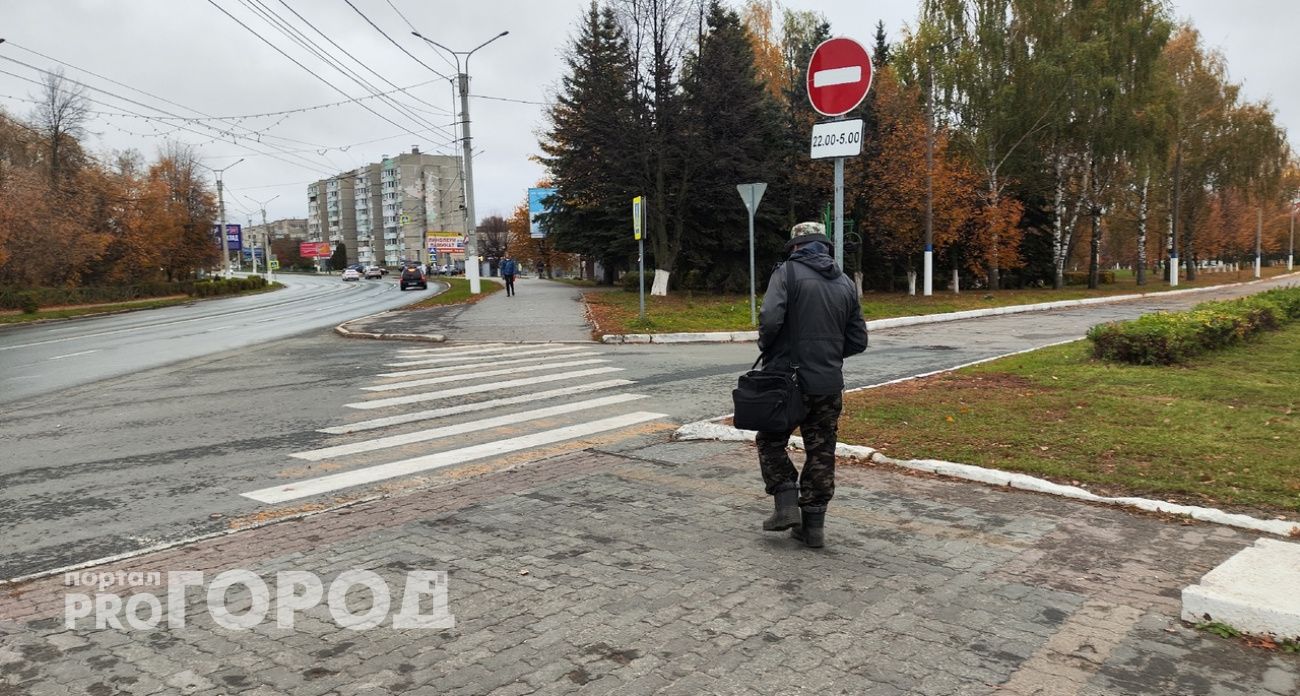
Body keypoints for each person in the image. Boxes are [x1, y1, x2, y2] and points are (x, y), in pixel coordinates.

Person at [755, 221, 867, 548]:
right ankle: (813, 527)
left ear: (795, 245)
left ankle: (786, 501)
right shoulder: (845, 282)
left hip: (788, 381)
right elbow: (858, 339)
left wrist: (769, 347)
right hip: (829, 384)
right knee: (821, 450)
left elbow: (770, 320)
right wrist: (829, 353)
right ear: (825, 246)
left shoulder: (786, 274)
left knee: (770, 439)